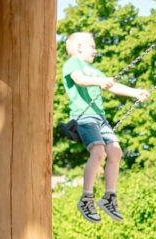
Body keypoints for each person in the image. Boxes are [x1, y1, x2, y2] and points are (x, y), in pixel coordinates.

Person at [62, 32, 150, 223]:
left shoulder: (93, 70)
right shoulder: (73, 64)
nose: (96, 50)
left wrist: (135, 93)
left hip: (100, 118)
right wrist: (100, 81)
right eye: (92, 46)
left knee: (116, 152)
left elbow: (112, 86)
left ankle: (108, 197)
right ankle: (86, 197)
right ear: (79, 48)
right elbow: (78, 79)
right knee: (99, 153)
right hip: (84, 117)